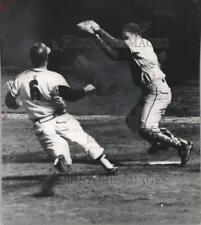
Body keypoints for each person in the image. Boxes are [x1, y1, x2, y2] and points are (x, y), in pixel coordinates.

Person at [77, 20, 193, 167]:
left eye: (126, 37)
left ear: (136, 35)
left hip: (157, 91)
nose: (124, 40)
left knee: (146, 128)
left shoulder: (140, 43)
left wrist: (98, 29)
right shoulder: (136, 47)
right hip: (150, 91)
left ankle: (181, 145)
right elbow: (114, 55)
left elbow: (115, 43)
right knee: (133, 122)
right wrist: (96, 38)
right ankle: (160, 140)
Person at [5, 42, 118, 174]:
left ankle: (60, 159)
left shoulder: (20, 78)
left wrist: (16, 104)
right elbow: (70, 96)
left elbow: (9, 101)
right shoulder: (54, 77)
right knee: (84, 140)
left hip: (42, 125)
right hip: (62, 118)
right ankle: (107, 165)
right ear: (47, 58)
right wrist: (86, 89)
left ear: (32, 58)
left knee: (61, 154)